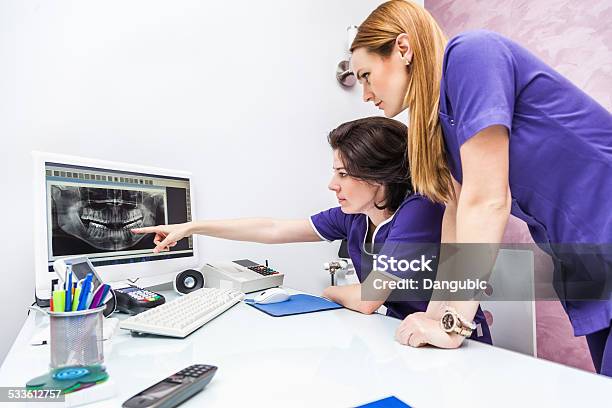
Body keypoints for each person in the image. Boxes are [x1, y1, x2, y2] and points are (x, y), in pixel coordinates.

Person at [349, 0, 612, 375]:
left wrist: (453, 323)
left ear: (403, 49)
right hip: (587, 262)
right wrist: (436, 314)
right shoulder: (444, 126)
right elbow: (456, 216)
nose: (365, 93)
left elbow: (488, 200)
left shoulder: (471, 54)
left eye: (364, 75)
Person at [132, 116, 493, 345]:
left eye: (343, 173)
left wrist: (330, 292)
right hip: (400, 334)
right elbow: (273, 228)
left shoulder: (419, 210)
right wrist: (193, 226)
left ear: (379, 176)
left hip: (452, 338)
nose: (331, 184)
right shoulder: (355, 216)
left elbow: (369, 299)